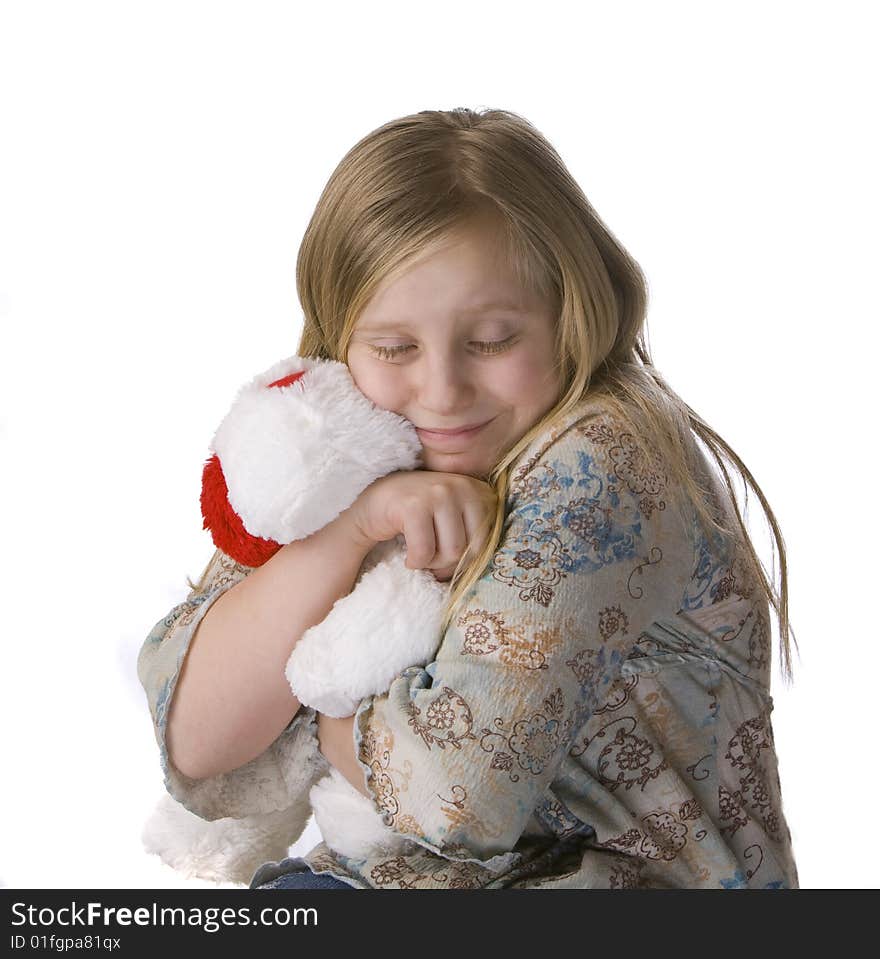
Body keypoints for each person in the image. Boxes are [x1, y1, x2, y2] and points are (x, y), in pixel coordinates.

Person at [137, 106, 800, 889]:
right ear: (339, 340)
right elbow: (198, 739)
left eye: (492, 340)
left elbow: (457, 791)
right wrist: (353, 530)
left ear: (571, 312)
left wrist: (313, 696)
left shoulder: (605, 458)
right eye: (395, 348)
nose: (443, 391)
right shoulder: (353, 432)